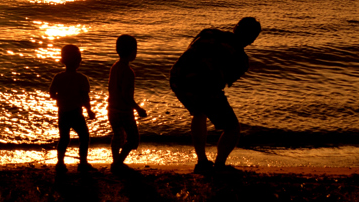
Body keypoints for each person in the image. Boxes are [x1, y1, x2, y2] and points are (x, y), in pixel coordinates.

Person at [169, 17, 262, 175]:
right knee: (232, 128)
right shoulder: (241, 59)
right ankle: (219, 165)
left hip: (177, 78)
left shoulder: (208, 33)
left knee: (199, 113)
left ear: (235, 28)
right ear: (251, 39)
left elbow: (191, 51)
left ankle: (202, 161)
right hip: (202, 85)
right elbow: (224, 81)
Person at [48, 44, 97, 174]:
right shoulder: (81, 78)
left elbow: (52, 93)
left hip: (63, 112)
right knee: (84, 136)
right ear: (79, 61)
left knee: (64, 138)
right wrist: (89, 111)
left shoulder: (58, 77)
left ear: (63, 60)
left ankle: (60, 163)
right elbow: (85, 97)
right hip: (76, 112)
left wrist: (61, 98)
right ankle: (83, 162)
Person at [108, 34, 146, 171]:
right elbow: (126, 95)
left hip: (111, 109)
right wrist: (138, 108)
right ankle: (118, 162)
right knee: (133, 139)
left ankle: (115, 160)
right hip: (124, 111)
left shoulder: (115, 67)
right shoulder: (128, 72)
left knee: (118, 136)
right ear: (132, 52)